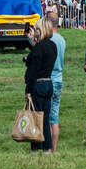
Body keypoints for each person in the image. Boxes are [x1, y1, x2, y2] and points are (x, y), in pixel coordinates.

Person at [23, 17, 56, 154]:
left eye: (36, 29)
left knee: (35, 117)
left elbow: (33, 70)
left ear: (41, 30)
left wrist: (28, 90)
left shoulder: (39, 47)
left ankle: (36, 147)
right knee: (45, 118)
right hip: (48, 82)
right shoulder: (52, 45)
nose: (34, 31)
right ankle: (48, 148)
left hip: (37, 84)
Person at [44, 10, 65, 152]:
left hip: (49, 78)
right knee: (54, 117)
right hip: (59, 78)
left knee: (47, 117)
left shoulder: (48, 40)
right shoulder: (62, 39)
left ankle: (48, 148)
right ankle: (54, 149)